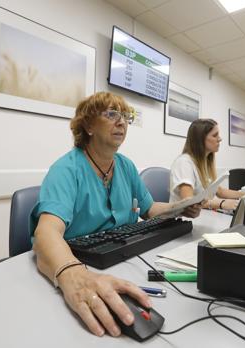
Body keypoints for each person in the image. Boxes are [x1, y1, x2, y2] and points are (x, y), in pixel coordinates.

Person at [30, 92, 202, 338]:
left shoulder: (126, 166)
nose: (121, 122)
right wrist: (74, 276)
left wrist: (181, 207)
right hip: (80, 263)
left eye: (125, 116)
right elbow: (46, 232)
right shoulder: (66, 169)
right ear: (88, 125)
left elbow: (150, 209)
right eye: (111, 114)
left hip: (122, 260)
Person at [170, 118, 245, 211]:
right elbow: (188, 201)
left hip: (201, 215)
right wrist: (221, 203)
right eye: (215, 135)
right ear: (200, 139)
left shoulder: (204, 162)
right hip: (182, 219)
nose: (220, 139)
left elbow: (220, 191)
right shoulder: (184, 163)